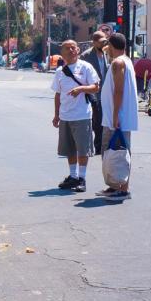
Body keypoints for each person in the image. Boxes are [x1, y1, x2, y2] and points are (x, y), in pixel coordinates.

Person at [50, 39, 101, 191]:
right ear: (62, 53)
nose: (72, 50)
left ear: (78, 50)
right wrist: (56, 115)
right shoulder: (59, 72)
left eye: (74, 47)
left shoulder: (86, 67)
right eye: (68, 48)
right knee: (69, 149)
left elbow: (95, 87)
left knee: (83, 149)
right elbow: (58, 95)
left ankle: (82, 179)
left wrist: (81, 89)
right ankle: (73, 176)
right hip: (65, 116)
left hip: (82, 116)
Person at [98, 32, 139, 200]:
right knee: (118, 152)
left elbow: (119, 90)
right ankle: (116, 186)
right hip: (118, 116)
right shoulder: (125, 60)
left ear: (112, 46)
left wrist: (115, 115)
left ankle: (121, 189)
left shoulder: (118, 62)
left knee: (115, 152)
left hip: (117, 117)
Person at [82, 31, 110, 156]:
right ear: (94, 42)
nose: (104, 43)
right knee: (95, 122)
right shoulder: (86, 56)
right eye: (101, 41)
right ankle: (96, 146)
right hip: (91, 94)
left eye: (105, 41)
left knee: (102, 122)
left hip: (104, 93)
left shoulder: (106, 54)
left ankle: (99, 145)